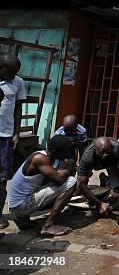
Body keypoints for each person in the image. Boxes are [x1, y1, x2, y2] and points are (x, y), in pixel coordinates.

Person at [8, 135, 76, 236]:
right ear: (54, 151)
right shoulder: (40, 158)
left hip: (17, 204)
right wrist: (70, 164)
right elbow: (59, 180)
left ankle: (23, 219)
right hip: (19, 206)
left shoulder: (47, 156)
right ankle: (48, 225)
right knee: (71, 182)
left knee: (57, 180)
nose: (67, 154)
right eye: (65, 151)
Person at [0, 54, 26, 229]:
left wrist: (16, 133)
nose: (14, 74)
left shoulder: (18, 82)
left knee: (2, 177)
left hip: (5, 135)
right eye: (11, 71)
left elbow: (18, 108)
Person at [77, 137, 119, 215]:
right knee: (82, 185)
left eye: (107, 152)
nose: (105, 155)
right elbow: (81, 183)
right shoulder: (87, 156)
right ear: (95, 150)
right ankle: (85, 196)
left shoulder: (116, 147)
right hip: (94, 163)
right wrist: (99, 204)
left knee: (118, 189)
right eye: (102, 152)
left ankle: (104, 179)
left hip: (111, 162)